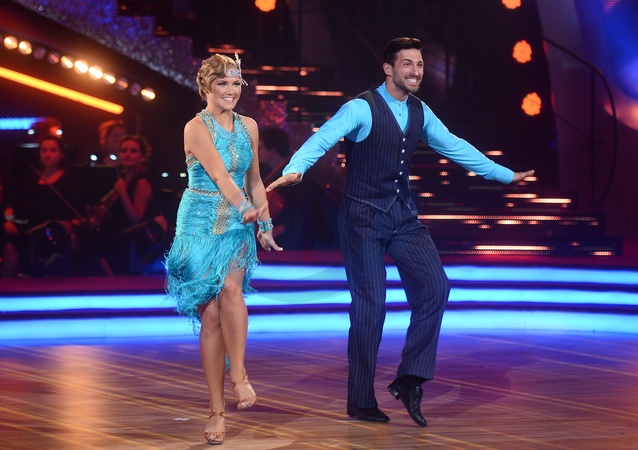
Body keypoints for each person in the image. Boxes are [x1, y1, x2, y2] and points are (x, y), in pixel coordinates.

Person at [267, 37, 535, 426]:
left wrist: (503, 174)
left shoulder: (420, 111)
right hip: (361, 218)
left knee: (435, 288)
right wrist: (297, 167)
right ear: (388, 69)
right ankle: (361, 399)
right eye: (407, 63)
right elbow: (322, 138)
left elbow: (454, 146)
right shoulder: (361, 107)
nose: (415, 71)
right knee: (371, 307)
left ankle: (410, 379)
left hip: (402, 216)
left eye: (420, 64)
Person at [164, 53, 282, 445]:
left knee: (231, 289)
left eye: (235, 84)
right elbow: (218, 174)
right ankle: (216, 410)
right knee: (211, 316)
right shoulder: (196, 127)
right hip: (198, 223)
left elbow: (254, 180)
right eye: (223, 84)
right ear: (207, 87)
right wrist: (244, 206)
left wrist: (264, 222)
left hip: (236, 224)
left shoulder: (249, 126)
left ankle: (240, 376)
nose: (231, 91)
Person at [81, 134, 167, 276]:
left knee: (89, 240)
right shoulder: (122, 179)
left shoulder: (141, 182)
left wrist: (122, 193)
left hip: (127, 236)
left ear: (142, 157)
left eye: (133, 151)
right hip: (114, 232)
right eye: (124, 151)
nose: (127, 154)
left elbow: (136, 219)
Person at [2, 134, 85, 277]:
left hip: (54, 233)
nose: (48, 155)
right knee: (9, 247)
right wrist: (9, 220)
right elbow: (12, 206)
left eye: (53, 151)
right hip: (28, 229)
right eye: (44, 150)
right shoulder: (29, 180)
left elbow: (78, 213)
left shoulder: (70, 181)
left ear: (61, 155)